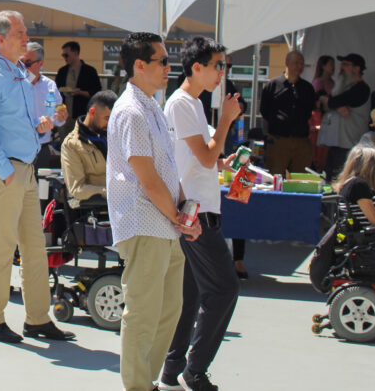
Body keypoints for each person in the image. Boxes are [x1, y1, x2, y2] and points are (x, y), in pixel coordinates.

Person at [106, 31, 200, 391]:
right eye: (162, 61)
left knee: (168, 311)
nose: (168, 67)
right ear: (139, 66)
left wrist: (183, 216)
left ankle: (145, 380)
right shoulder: (131, 110)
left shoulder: (152, 108)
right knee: (144, 313)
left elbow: (166, 172)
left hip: (164, 223)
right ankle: (137, 385)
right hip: (145, 221)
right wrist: (178, 215)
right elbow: (146, 177)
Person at [0, 10, 73, 344]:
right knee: (2, 245)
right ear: (0, 39)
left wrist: (39, 126)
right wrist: (6, 174)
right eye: (19, 32)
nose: (25, 37)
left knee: (33, 246)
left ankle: (37, 318)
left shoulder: (16, 73)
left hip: (23, 169)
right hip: (9, 170)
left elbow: (11, 124)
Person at [159, 36, 242, 391]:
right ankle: (194, 369)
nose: (221, 73)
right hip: (194, 213)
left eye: (223, 66)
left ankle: (173, 368)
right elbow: (207, 156)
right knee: (223, 290)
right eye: (217, 65)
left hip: (197, 209)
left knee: (191, 295)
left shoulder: (191, 104)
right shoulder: (182, 104)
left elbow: (211, 158)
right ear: (197, 67)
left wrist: (231, 162)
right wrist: (225, 121)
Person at [259, 50, 317, 176]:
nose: (299, 66)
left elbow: (310, 110)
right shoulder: (273, 85)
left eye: (302, 63)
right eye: (296, 63)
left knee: (301, 179)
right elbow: (264, 110)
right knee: (275, 177)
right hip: (279, 141)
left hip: (301, 140)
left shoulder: (307, 88)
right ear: (287, 63)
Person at [320, 53, 371, 180]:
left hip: (350, 146)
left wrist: (331, 102)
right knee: (330, 180)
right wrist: (329, 101)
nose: (341, 68)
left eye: (346, 65)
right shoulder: (345, 87)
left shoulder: (362, 89)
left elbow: (333, 101)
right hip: (337, 144)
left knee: (342, 182)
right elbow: (328, 102)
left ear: (357, 68)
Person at [60, 90, 116, 204]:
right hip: (96, 208)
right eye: (107, 118)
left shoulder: (114, 137)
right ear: (92, 111)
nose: (110, 123)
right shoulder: (72, 144)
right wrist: (110, 192)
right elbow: (77, 189)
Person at [21, 41, 67, 171]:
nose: (23, 67)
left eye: (27, 63)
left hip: (42, 148)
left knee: (40, 189)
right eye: (20, 62)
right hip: (19, 148)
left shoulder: (50, 86)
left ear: (40, 63)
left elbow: (57, 119)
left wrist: (61, 117)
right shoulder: (15, 85)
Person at [55, 40, 104, 122]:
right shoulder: (62, 71)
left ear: (76, 53)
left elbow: (97, 93)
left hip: (82, 116)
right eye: (63, 55)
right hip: (64, 116)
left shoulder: (89, 71)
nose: (64, 58)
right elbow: (56, 90)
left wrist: (80, 92)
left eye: (66, 55)